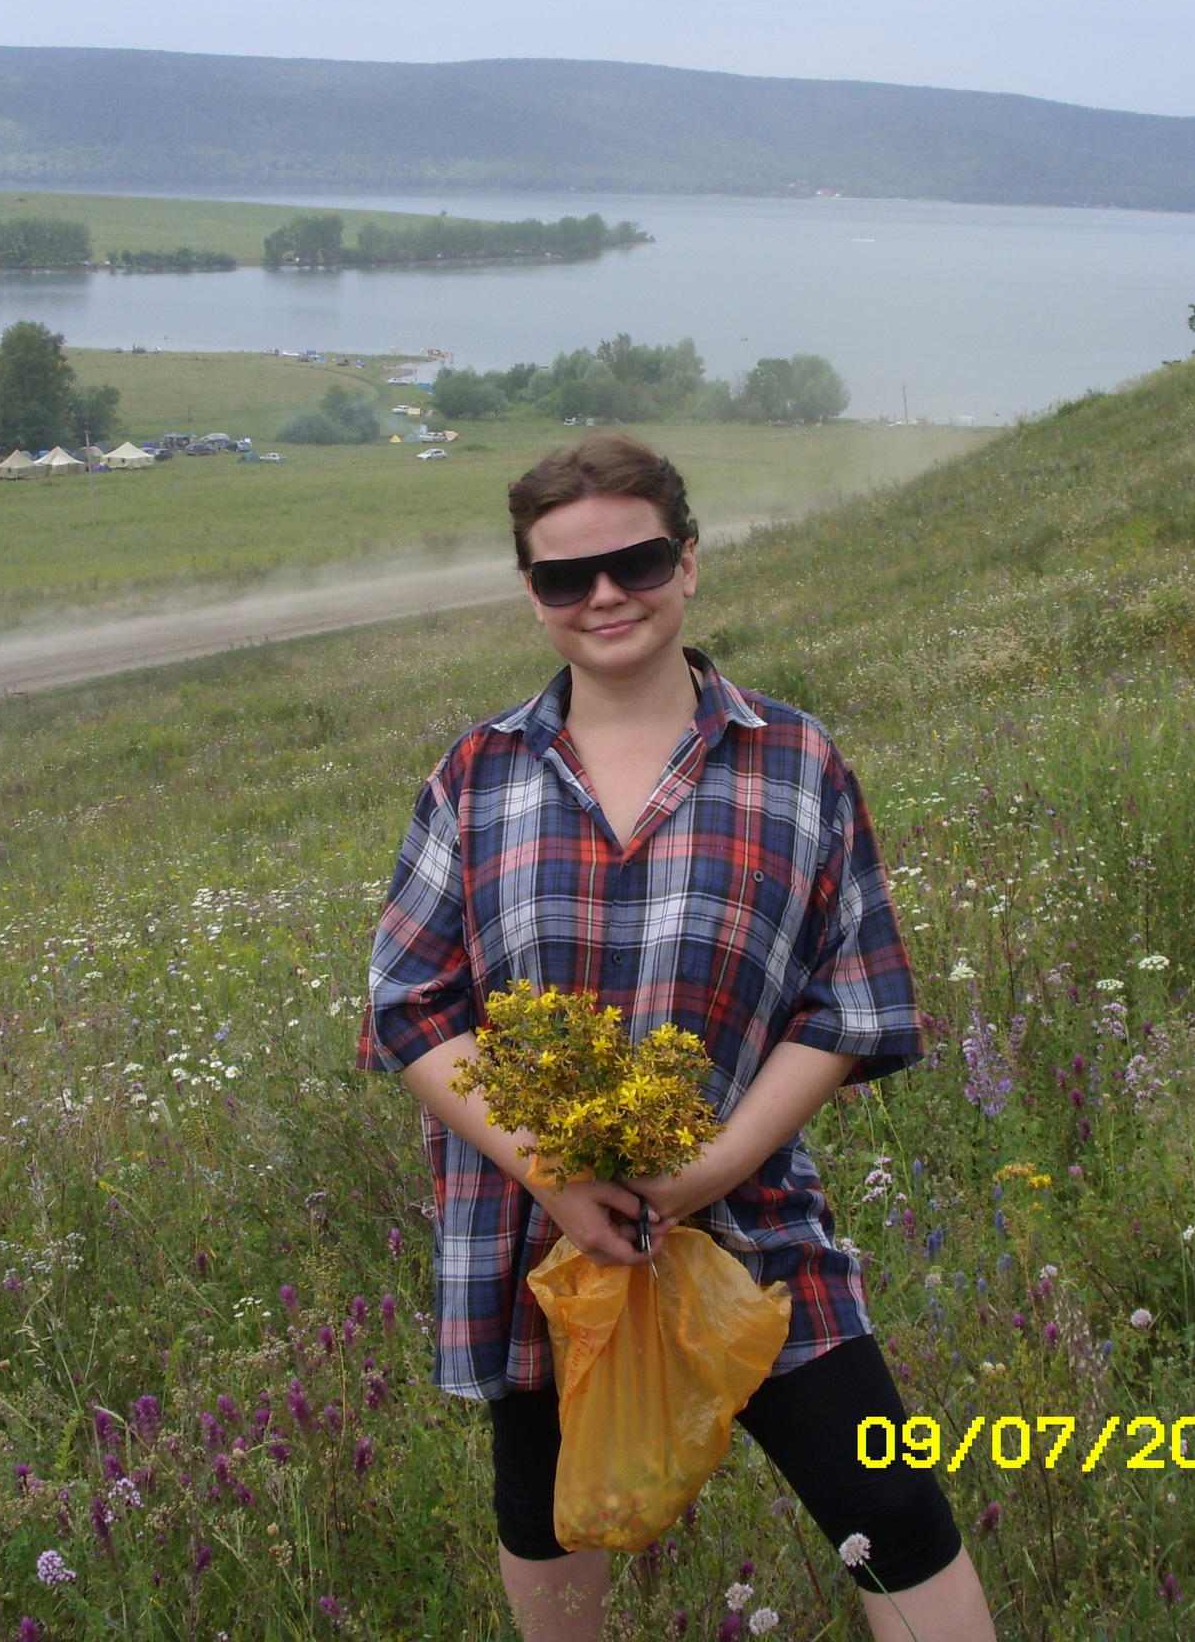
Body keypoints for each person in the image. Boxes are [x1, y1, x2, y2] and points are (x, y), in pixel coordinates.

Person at [364, 436, 994, 1642]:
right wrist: (554, 1175)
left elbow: (849, 1002)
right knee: (549, 1514)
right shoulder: (476, 775)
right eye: (566, 576)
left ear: (688, 563)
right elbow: (410, 1004)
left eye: (637, 561)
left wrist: (707, 1169)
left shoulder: (795, 761)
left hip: (752, 1224)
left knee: (894, 1516)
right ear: (534, 595)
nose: (605, 595)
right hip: (539, 1235)